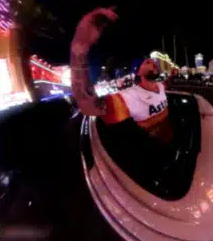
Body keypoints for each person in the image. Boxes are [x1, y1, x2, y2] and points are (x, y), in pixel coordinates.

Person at [70, 7, 175, 145]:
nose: (154, 64)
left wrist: (173, 72)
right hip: (155, 152)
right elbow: (88, 105)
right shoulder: (128, 98)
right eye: (148, 62)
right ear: (138, 72)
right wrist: (79, 50)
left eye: (154, 62)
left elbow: (169, 82)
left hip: (175, 144)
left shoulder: (160, 86)